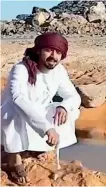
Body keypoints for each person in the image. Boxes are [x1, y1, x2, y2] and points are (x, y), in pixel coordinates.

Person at [1, 32, 81, 184]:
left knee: (68, 109)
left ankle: (38, 146)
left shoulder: (59, 71)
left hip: (37, 111)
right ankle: (14, 158)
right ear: (38, 51)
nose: (54, 56)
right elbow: (18, 98)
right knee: (14, 109)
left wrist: (63, 106)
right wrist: (46, 128)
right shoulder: (21, 68)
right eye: (49, 50)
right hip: (12, 112)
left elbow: (73, 96)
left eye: (58, 52)